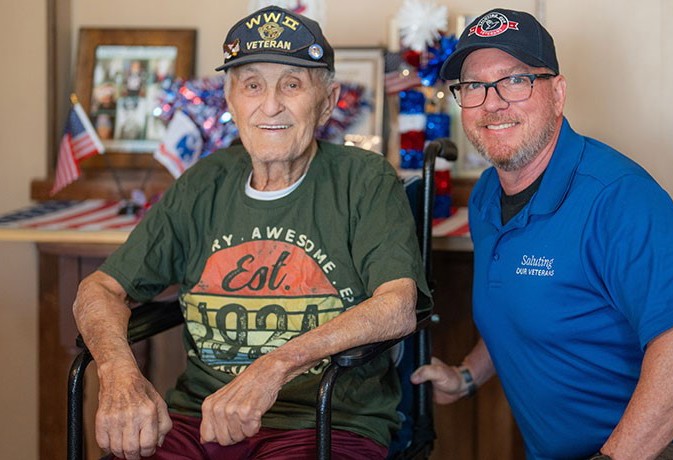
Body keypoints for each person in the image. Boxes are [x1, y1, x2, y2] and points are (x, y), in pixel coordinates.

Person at [73, 6, 430, 460]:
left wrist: (274, 367)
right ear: (230, 100)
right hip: (199, 421)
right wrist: (119, 374)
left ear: (327, 101)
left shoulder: (363, 179)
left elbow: (398, 306)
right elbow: (100, 288)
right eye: (252, 85)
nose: (271, 105)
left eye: (292, 85)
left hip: (325, 423)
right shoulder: (204, 182)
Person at [410, 8, 673, 460]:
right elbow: (518, 310)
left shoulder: (619, 197)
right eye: (474, 86)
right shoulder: (486, 198)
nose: (492, 103)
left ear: (558, 93)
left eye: (515, 80)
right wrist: (466, 376)